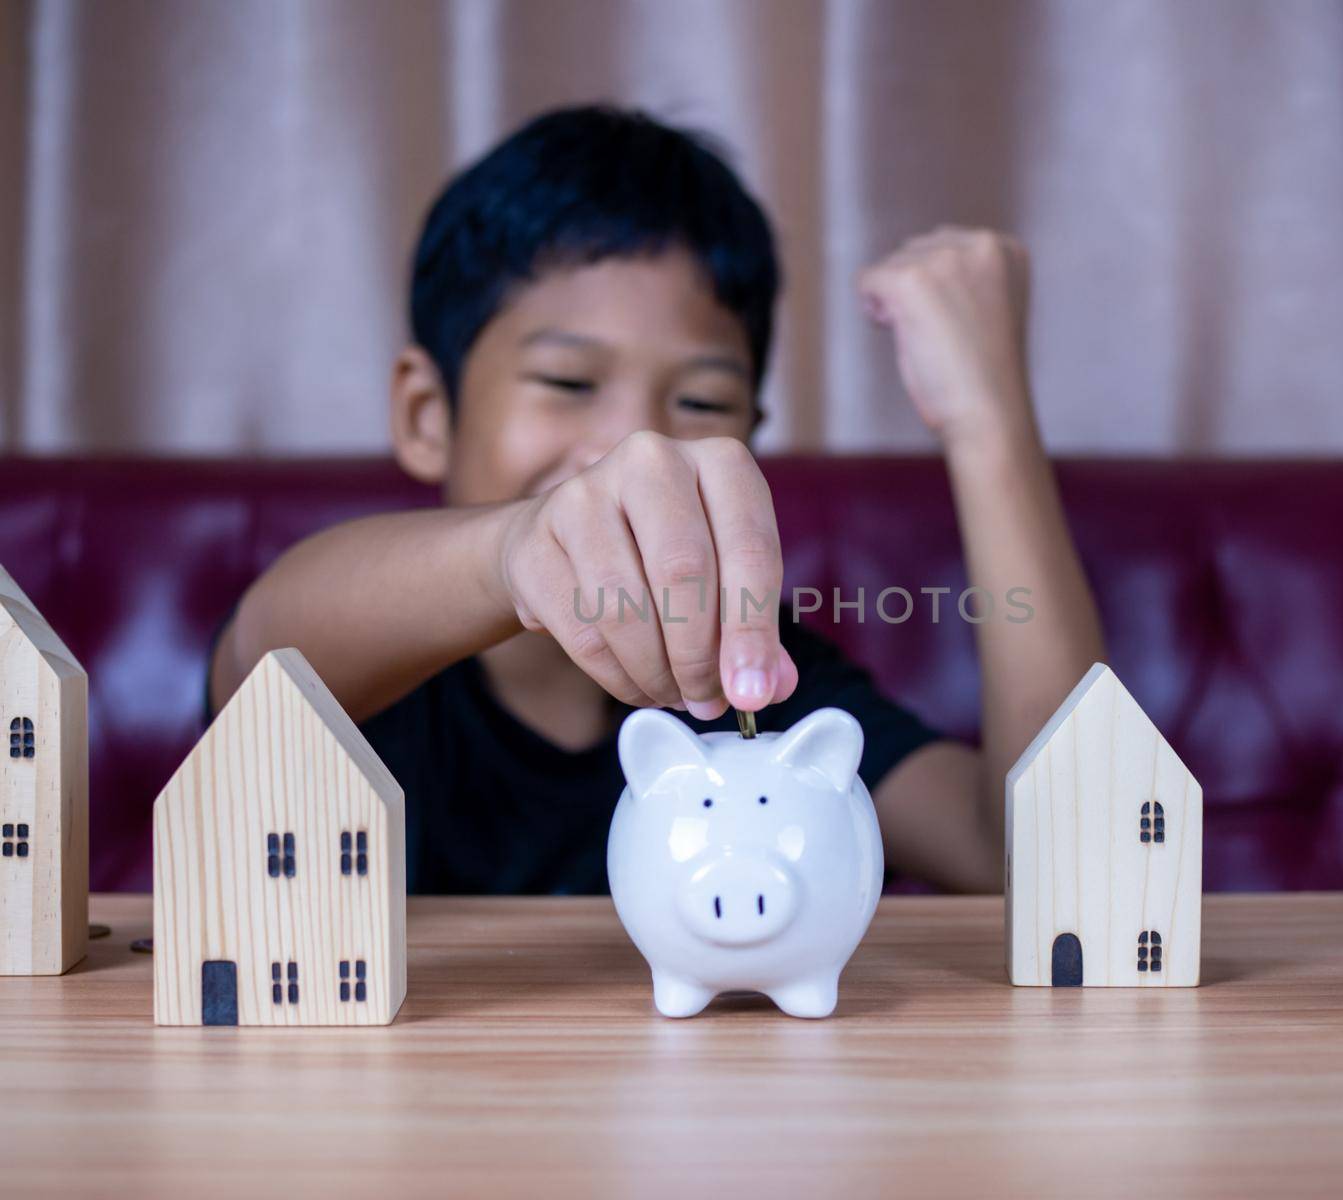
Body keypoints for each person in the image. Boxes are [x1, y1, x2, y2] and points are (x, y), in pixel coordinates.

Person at [209, 105, 1103, 895]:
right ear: (425, 413)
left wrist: (988, 422)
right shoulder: (375, 645)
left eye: (703, 402)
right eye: (567, 379)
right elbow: (263, 659)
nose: (636, 450)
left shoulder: (760, 682)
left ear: (749, 440)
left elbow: (1035, 861)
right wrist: (519, 552)